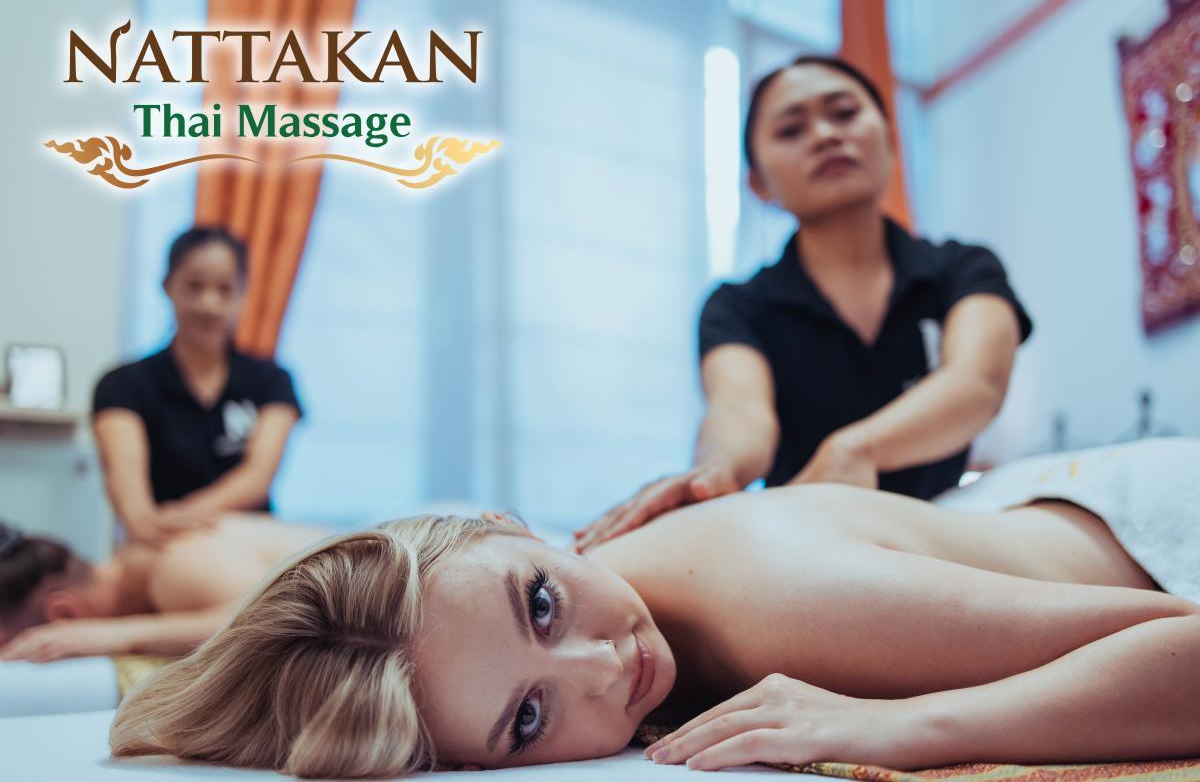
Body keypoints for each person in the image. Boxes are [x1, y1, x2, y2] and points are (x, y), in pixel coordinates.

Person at [109, 439, 1200, 778]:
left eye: (541, 600)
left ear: (515, 522)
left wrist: (909, 725)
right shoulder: (600, 569)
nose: (600, 670)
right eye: (526, 721)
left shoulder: (789, 604)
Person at [575, 56, 1032, 552]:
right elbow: (740, 413)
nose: (824, 135)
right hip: (811, 547)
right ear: (759, 183)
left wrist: (854, 449)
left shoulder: (962, 268)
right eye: (791, 129)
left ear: (890, 139)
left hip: (951, 531)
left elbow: (977, 383)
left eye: (844, 113)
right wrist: (714, 472)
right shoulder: (737, 307)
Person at [92, 226, 303, 546]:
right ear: (167, 286)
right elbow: (133, 505)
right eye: (194, 285)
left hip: (247, 539)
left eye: (225, 288)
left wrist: (177, 518)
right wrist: (151, 524)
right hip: (158, 545)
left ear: (243, 293)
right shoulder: (123, 385)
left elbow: (257, 479)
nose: (209, 304)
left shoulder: (271, 381)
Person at [0, 516, 331, 661]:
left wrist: (118, 634)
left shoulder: (175, 564)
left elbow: (274, 617)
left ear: (63, 615)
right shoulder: (144, 567)